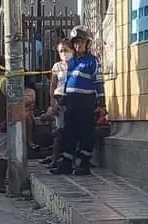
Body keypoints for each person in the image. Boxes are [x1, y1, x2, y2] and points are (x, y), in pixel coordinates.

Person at [52, 26, 104, 176]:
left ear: (87, 44)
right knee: (69, 132)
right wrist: (63, 98)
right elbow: (68, 81)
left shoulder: (93, 61)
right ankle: (66, 163)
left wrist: (101, 103)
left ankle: (84, 163)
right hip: (71, 101)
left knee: (85, 132)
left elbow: (99, 82)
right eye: (75, 43)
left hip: (86, 101)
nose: (78, 45)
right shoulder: (72, 62)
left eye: (81, 42)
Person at [42, 38, 71, 168]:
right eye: (61, 51)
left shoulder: (76, 64)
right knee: (58, 131)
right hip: (60, 101)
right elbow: (53, 86)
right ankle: (55, 157)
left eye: (66, 50)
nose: (63, 53)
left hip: (73, 100)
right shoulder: (57, 66)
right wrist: (52, 103)